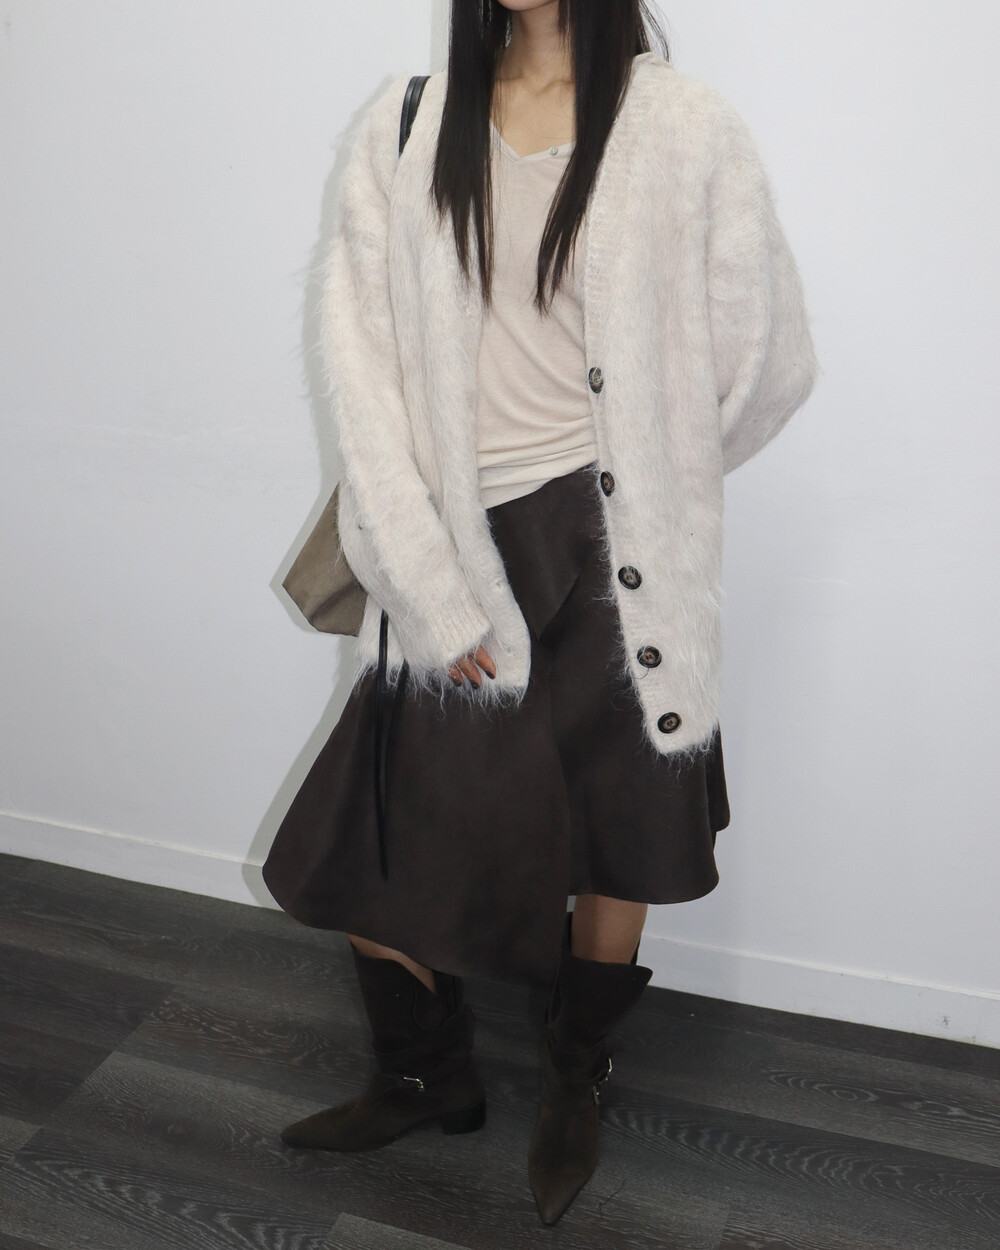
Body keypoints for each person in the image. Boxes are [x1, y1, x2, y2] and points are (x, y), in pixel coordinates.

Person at [262, 0, 819, 1227]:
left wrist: (654, 480)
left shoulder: (684, 128)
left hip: (618, 547)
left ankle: (577, 1074)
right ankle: (425, 1072)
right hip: (458, 545)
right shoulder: (407, 126)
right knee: (376, 838)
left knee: (618, 820)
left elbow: (769, 359)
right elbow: (365, 381)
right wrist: (426, 581)